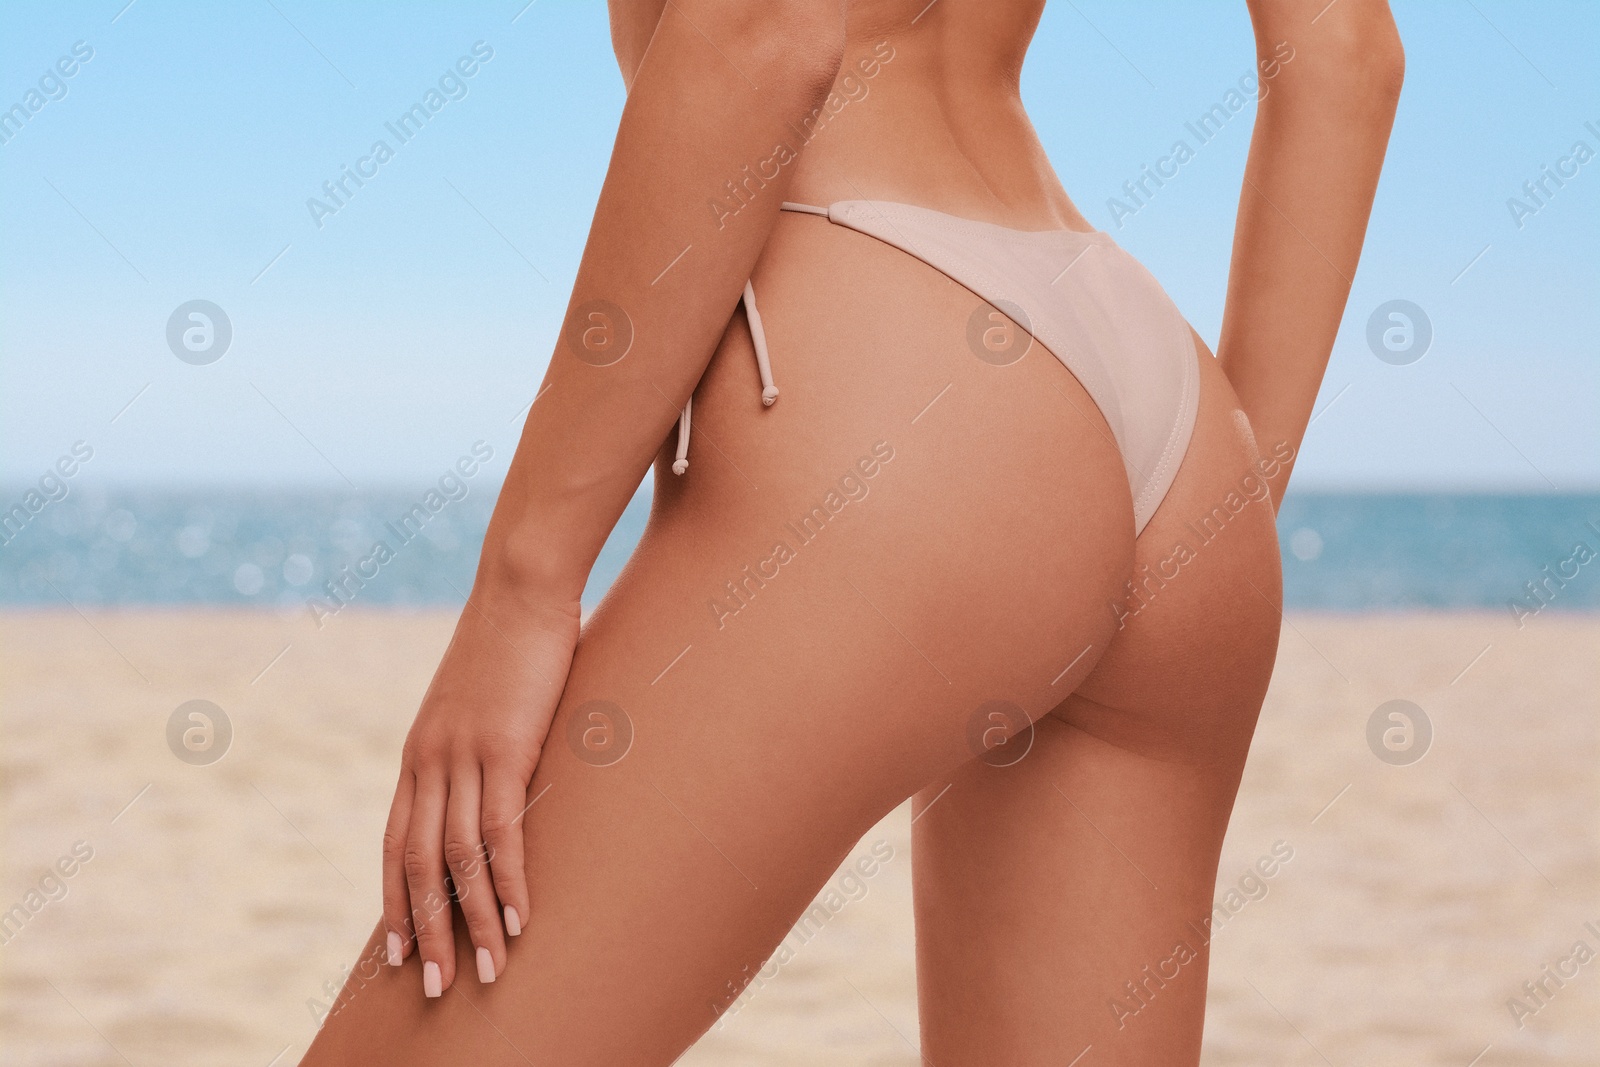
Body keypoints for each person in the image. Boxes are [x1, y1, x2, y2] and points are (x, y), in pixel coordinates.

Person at [300, 0, 1402, 1062]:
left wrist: (524, 586)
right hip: (1147, 380)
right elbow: (1349, 50)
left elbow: (764, 28)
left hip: (888, 343)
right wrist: (1224, 507)